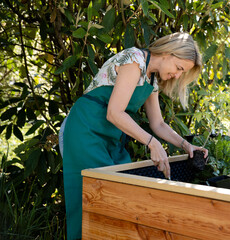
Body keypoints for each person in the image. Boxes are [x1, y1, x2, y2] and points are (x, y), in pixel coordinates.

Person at [59, 32, 208, 239]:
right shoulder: (134, 60)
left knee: (117, 201)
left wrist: (186, 146)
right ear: (167, 53)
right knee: (89, 202)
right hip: (85, 131)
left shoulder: (151, 80)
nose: (177, 75)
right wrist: (151, 143)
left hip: (110, 139)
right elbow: (114, 112)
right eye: (179, 68)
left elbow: (159, 124)